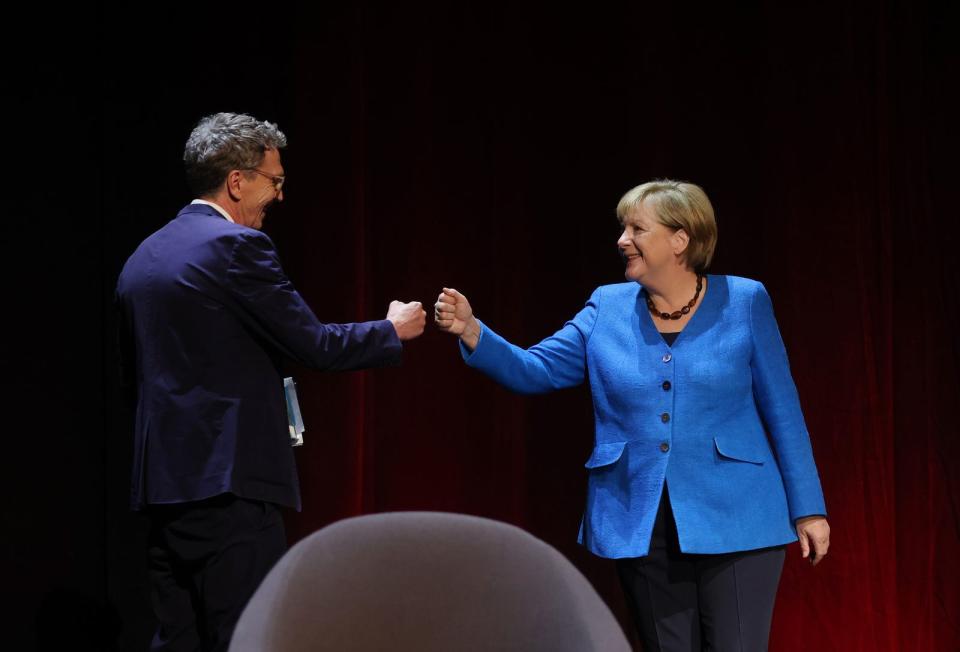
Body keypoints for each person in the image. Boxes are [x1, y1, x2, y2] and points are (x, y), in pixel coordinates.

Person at [434, 180, 830, 651]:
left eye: (637, 229)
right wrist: (473, 331)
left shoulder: (744, 301)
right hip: (640, 518)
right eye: (624, 228)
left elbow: (783, 409)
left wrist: (808, 508)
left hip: (739, 514)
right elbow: (534, 370)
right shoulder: (606, 306)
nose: (622, 240)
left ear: (680, 240)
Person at [116, 112, 426, 652]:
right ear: (238, 181)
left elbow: (136, 379)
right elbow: (314, 345)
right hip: (230, 483)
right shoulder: (233, 248)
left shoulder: (142, 257)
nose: (279, 196)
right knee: (247, 637)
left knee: (179, 639)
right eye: (274, 181)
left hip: (164, 486)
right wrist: (390, 330)